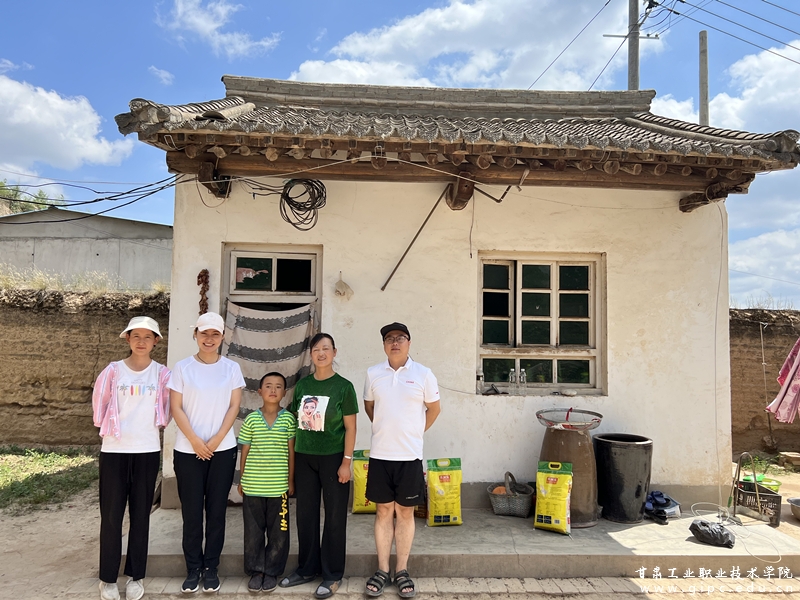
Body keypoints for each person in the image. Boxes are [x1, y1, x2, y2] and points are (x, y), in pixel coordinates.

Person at [92, 316, 171, 600]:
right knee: (111, 517)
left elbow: (168, 407)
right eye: (135, 336)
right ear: (127, 338)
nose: (141, 341)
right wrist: (110, 431)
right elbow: (99, 404)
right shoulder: (113, 371)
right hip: (114, 451)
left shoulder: (162, 374)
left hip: (146, 451)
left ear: (156, 341)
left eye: (147, 337)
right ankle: (108, 579)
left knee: (140, 516)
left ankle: (136, 576)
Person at [168, 312, 244, 594]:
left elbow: (234, 406)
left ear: (222, 337)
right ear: (195, 335)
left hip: (222, 450)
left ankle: (211, 567)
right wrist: (195, 441)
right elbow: (176, 407)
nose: (209, 339)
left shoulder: (231, 368)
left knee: (216, 512)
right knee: (191, 513)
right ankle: (193, 569)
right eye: (204, 333)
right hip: (188, 451)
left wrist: (215, 440)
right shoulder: (182, 368)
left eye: (215, 334)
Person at [363, 323, 440, 599]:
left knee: (405, 513)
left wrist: (415, 433)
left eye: (400, 338)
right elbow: (370, 407)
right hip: (380, 455)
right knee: (383, 512)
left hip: (409, 456)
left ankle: (402, 570)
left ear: (409, 342)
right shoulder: (373, 374)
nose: (394, 342)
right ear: (384, 345)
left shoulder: (424, 374)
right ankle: (383, 570)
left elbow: (434, 409)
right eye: (389, 338)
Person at [279, 333, 358, 599]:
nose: (321, 353)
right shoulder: (303, 385)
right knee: (306, 515)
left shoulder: (344, 387)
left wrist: (346, 462)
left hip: (334, 458)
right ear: (311, 354)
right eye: (316, 349)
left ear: (334, 352)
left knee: (334, 517)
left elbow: (351, 427)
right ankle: (306, 569)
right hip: (305, 457)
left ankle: (332, 574)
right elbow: (295, 422)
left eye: (326, 348)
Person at [237, 372, 297, 593]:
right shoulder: (251, 419)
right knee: (253, 532)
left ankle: (272, 570)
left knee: (278, 532)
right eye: (268, 386)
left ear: (284, 392)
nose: (273, 390)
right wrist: (242, 479)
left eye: (278, 386)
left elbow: (291, 452)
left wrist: (290, 481)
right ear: (260, 391)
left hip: (278, 488)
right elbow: (245, 451)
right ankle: (256, 571)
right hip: (253, 486)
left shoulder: (288, 419)